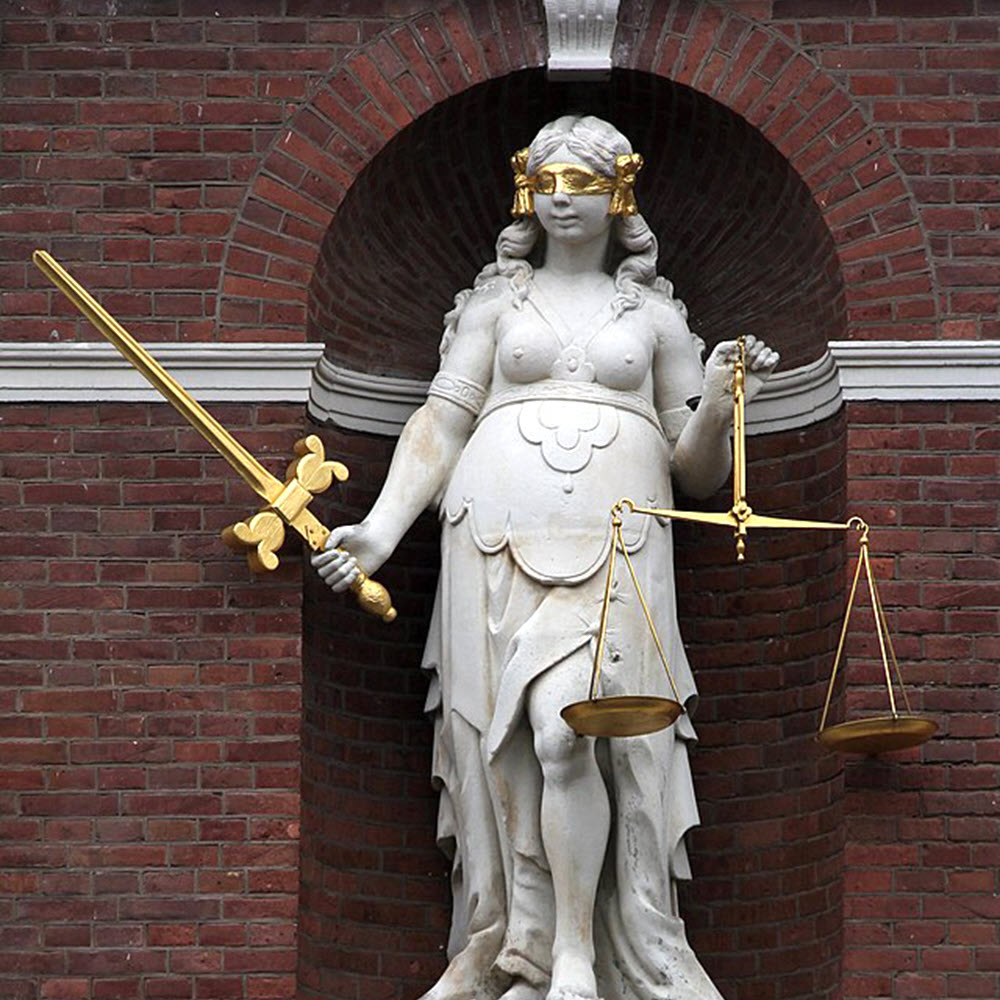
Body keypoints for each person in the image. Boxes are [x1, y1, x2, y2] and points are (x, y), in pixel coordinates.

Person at [313, 115, 779, 1000]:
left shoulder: (655, 317)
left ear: (619, 196)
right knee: (511, 743)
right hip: (490, 540)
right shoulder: (495, 306)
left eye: (587, 184)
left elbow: (697, 469)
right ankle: (516, 942)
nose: (566, 199)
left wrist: (719, 399)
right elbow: (442, 422)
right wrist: (379, 528)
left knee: (573, 730)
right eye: (550, 183)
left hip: (618, 547)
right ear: (531, 193)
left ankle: (576, 950)